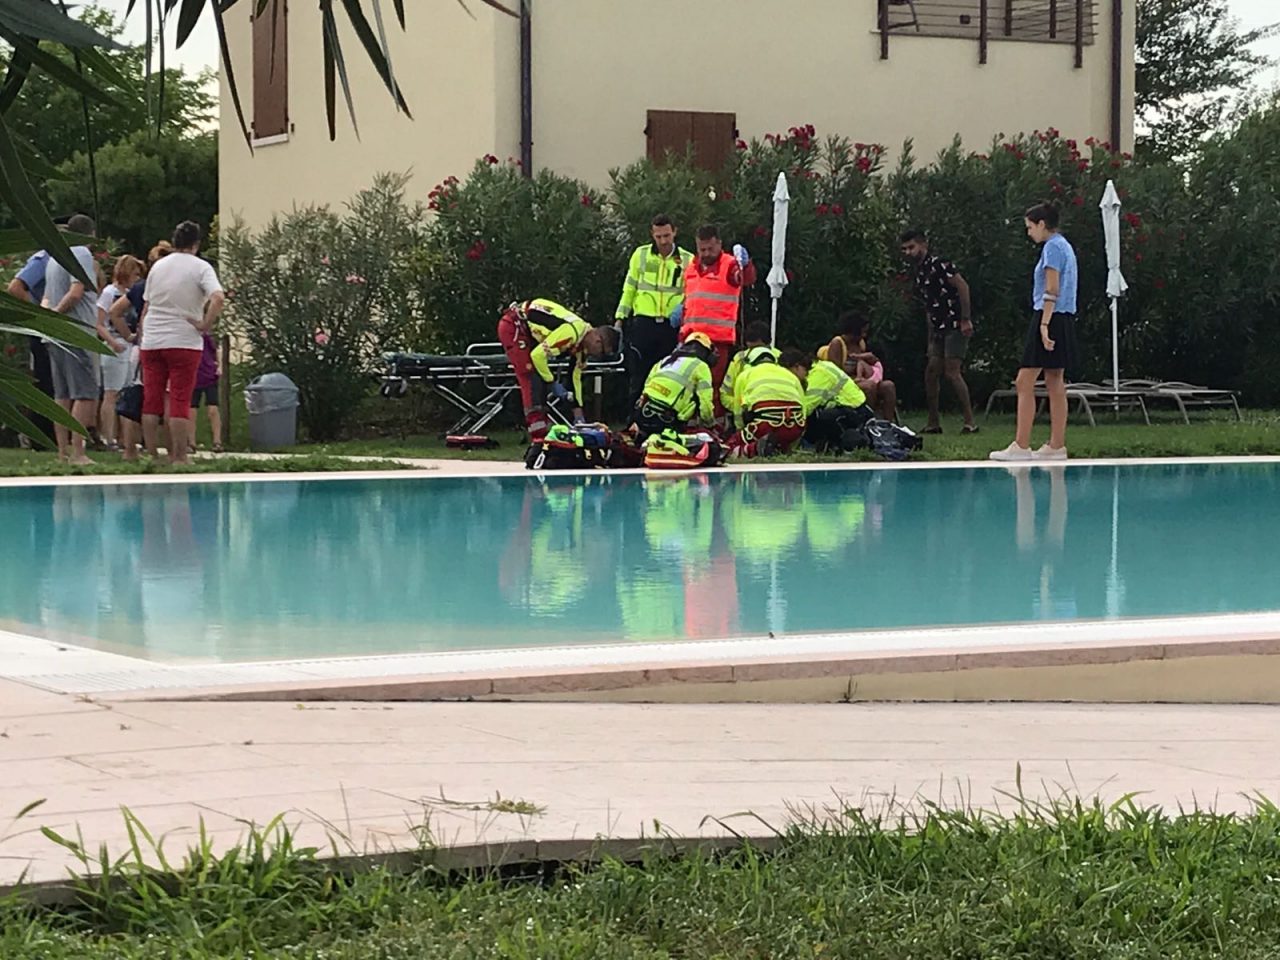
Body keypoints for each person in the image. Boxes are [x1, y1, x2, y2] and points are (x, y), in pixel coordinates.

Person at [990, 201, 1079, 462]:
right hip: (1064, 316)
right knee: (1054, 379)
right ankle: (1056, 445)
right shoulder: (1065, 245)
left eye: (1030, 227)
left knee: (1024, 380)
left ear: (1042, 224)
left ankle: (1021, 444)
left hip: (1049, 315)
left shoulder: (1052, 248)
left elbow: (1052, 288)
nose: (1029, 233)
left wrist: (1043, 324)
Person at [139, 220, 225, 465]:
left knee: (151, 399)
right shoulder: (201, 267)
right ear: (196, 244)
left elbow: (147, 305)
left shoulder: (158, 266)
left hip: (153, 339)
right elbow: (218, 298)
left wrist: (143, 334)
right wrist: (205, 324)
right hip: (183, 339)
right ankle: (179, 456)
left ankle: (152, 455)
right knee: (179, 399)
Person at [498, 298, 618, 440]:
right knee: (530, 375)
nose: (597, 355)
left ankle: (543, 426)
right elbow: (537, 356)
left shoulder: (581, 342)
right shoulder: (571, 333)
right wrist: (552, 382)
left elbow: (575, 378)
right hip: (514, 325)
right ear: (598, 341)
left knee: (540, 375)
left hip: (528, 330)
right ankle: (538, 431)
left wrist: (578, 414)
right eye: (601, 352)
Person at [675, 225, 757, 426]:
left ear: (719, 244)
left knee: (712, 386)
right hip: (690, 338)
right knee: (688, 384)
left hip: (716, 340)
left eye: (710, 249)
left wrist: (746, 265)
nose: (706, 254)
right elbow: (690, 300)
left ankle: (715, 427)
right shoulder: (692, 268)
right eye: (702, 249)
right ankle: (691, 426)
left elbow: (745, 279)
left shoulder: (729, 265)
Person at [900, 229, 977, 434]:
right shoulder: (919, 272)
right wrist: (930, 337)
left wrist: (965, 318)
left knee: (952, 371)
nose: (908, 252)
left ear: (923, 245)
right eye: (905, 249)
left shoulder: (940, 264)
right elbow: (929, 306)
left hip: (954, 323)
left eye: (911, 247)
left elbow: (962, 286)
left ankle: (969, 421)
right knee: (931, 371)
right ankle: (933, 421)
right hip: (937, 326)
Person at [41, 214, 101, 465]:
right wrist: (58, 314)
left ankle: (62, 453)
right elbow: (76, 292)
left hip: (54, 335)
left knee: (62, 395)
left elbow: (46, 297)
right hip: (77, 333)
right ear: (90, 234)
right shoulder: (82, 254)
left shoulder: (54, 258)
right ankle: (79, 452)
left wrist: (48, 319)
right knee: (84, 394)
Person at [615, 214, 693, 407]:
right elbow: (630, 288)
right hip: (644, 324)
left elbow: (691, 293)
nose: (663, 241)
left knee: (669, 374)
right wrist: (620, 318)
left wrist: (684, 315)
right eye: (658, 237)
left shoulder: (687, 260)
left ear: (675, 232)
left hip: (670, 325)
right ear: (652, 234)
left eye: (667, 235)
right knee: (639, 375)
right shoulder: (641, 255)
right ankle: (634, 418)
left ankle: (663, 416)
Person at [96, 255, 144, 451]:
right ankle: (108, 437)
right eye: (135, 274)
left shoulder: (130, 294)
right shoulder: (110, 293)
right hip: (115, 345)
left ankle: (126, 438)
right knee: (111, 392)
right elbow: (99, 323)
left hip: (129, 346)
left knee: (126, 391)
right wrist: (112, 342)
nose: (137, 278)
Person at [6, 249, 55, 442]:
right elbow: (16, 287)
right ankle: (42, 435)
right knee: (45, 381)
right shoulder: (44, 259)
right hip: (43, 330)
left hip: (49, 330)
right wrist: (38, 315)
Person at [726, 342, 806, 459]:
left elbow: (738, 411)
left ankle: (754, 449)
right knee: (780, 442)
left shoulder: (745, 375)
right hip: (795, 427)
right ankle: (780, 448)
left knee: (728, 447)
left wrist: (741, 433)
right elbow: (803, 409)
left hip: (765, 426)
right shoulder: (790, 375)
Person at [783, 349, 873, 452]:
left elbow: (806, 407)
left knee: (819, 416)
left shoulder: (818, 376)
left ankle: (835, 446)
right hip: (848, 407)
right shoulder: (819, 366)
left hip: (854, 411)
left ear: (797, 367)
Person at [631, 331, 716, 439]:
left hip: (643, 413)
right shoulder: (701, 367)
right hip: (668, 420)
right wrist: (710, 424)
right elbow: (705, 403)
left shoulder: (666, 360)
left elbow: (646, 386)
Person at [822, 311, 898, 422]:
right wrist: (855, 377)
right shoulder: (837, 344)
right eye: (863, 332)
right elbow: (835, 373)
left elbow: (863, 364)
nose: (864, 335)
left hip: (862, 379)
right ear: (854, 331)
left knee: (888, 386)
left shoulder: (861, 343)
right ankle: (869, 421)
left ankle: (887, 423)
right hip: (844, 385)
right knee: (869, 386)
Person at [720, 321, 771, 430]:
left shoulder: (780, 359)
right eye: (751, 349)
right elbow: (725, 395)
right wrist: (742, 409)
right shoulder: (739, 359)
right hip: (749, 417)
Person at [191, 331, 223, 453]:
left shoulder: (207, 337)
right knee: (191, 410)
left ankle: (217, 441)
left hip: (209, 375)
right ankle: (191, 442)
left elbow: (217, 350)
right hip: (193, 376)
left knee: (213, 409)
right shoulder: (186, 336)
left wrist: (219, 366)